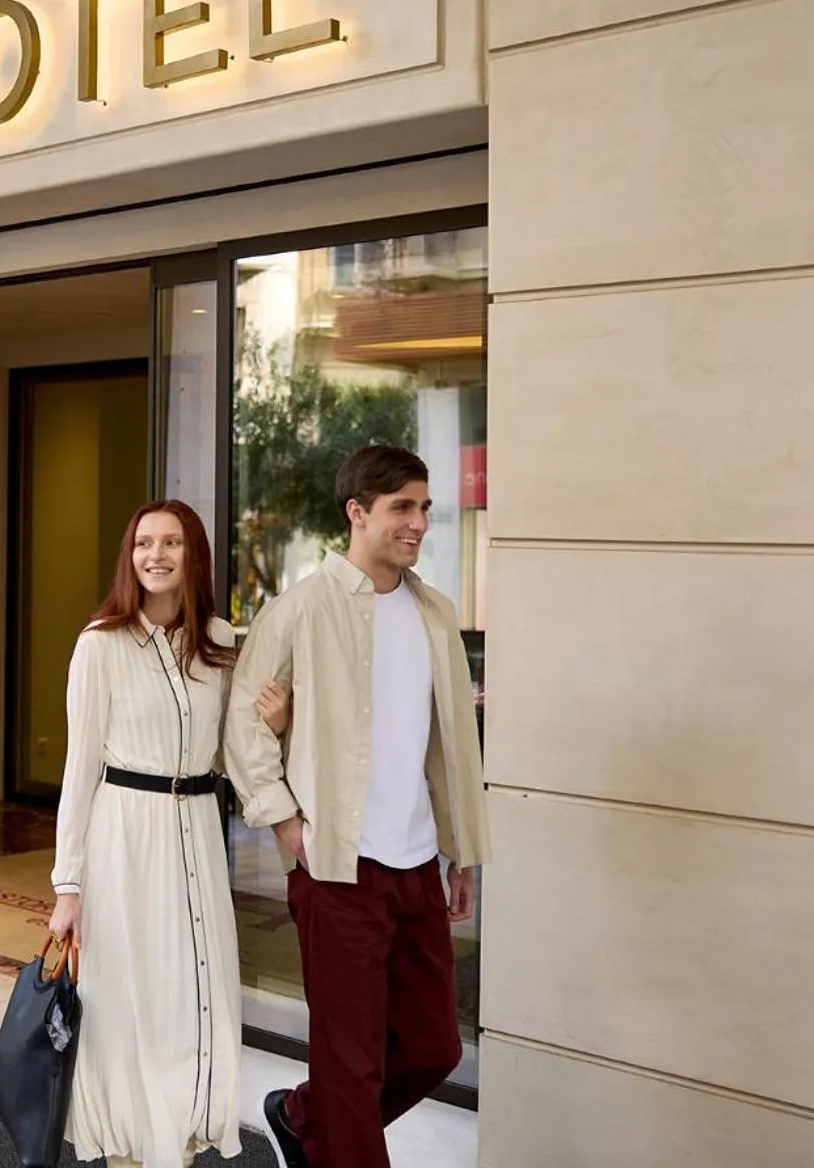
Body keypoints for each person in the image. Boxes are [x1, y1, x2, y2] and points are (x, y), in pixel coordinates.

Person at [225, 444, 490, 1168]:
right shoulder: (301, 609)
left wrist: (460, 849)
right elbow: (243, 724)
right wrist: (288, 825)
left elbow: (449, 744)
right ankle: (328, 1124)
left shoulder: (435, 613)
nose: (418, 523)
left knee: (433, 1044)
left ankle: (302, 1116)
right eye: (402, 507)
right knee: (351, 1064)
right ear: (358, 512)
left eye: (424, 508)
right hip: (337, 865)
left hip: (415, 866)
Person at [47, 499, 285, 1168]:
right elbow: (80, 767)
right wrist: (68, 885)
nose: (155, 554)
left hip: (198, 832)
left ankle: (175, 1140)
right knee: (126, 994)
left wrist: (281, 717)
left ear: (193, 554)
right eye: (144, 542)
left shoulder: (220, 642)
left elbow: (239, 748)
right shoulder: (100, 644)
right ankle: (128, 1146)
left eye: (171, 542)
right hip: (123, 835)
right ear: (130, 555)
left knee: (194, 990)